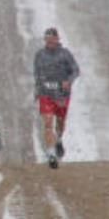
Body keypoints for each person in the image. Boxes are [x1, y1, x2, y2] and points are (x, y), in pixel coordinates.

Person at [34, 27, 79, 169]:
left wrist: (68, 81)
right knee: (47, 123)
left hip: (61, 95)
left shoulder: (65, 54)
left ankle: (58, 139)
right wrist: (37, 90)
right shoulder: (39, 55)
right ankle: (51, 154)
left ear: (58, 39)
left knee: (60, 122)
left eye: (52, 40)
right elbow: (36, 74)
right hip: (46, 94)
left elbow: (76, 70)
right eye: (47, 40)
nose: (50, 43)